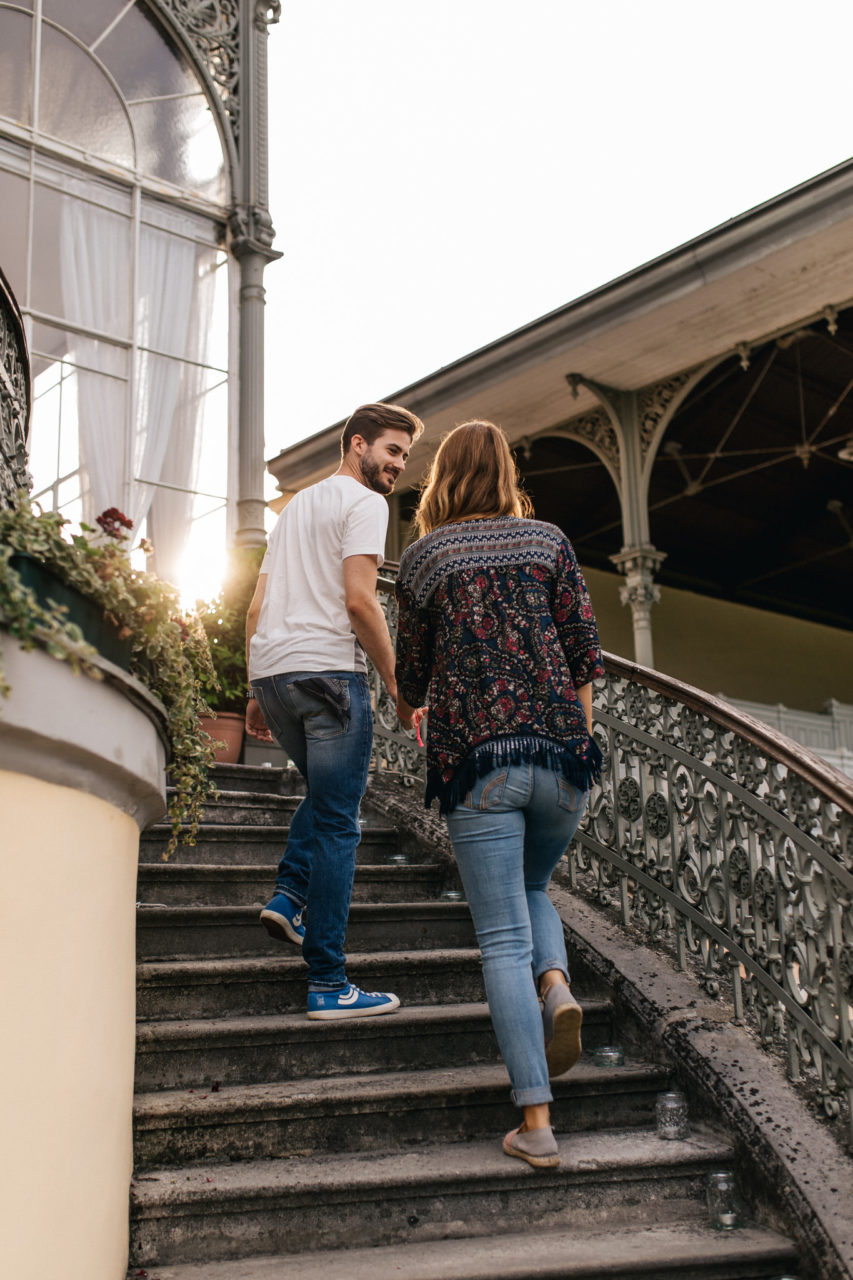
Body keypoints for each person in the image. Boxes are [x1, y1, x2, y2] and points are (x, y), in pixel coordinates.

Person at [395, 420, 603, 1167]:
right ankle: (555, 984)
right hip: (560, 761)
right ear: (508, 473)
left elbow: (410, 678)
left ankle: (536, 1121)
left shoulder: (423, 560)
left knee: (500, 941)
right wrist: (574, 744)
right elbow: (585, 654)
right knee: (534, 886)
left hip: (479, 766)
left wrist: (413, 707)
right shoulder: (549, 542)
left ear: (442, 476)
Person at [246, 401, 423, 1020]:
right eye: (391, 451)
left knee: (326, 798)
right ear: (356, 445)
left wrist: (254, 688)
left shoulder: (295, 509)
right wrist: (402, 690)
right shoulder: (366, 505)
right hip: (328, 676)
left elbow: (256, 605)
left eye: (404, 454)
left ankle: (290, 893)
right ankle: (328, 980)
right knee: (341, 821)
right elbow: (360, 602)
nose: (399, 465)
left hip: (275, 671)